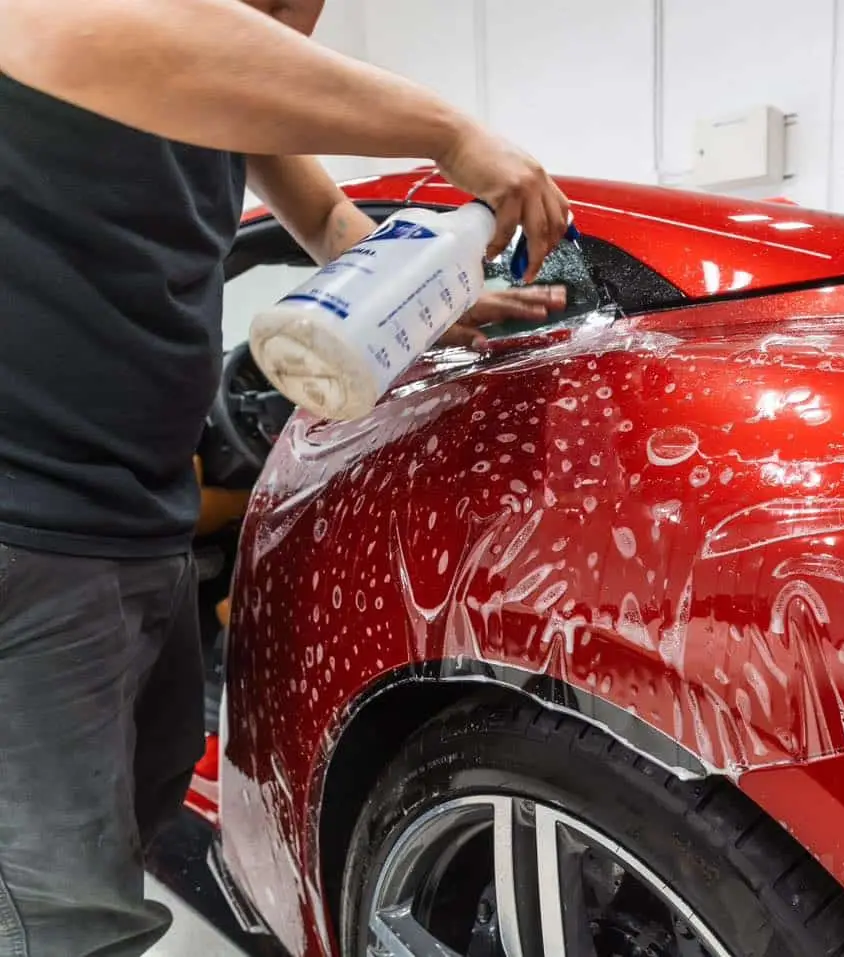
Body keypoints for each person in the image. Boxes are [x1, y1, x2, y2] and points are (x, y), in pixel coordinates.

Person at [0, 1, 570, 953]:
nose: (291, 20)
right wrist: (450, 130)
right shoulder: (93, 24)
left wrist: (436, 289)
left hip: (137, 525)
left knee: (115, 839)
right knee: (58, 915)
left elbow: (329, 224)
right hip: (28, 526)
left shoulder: (224, 90)